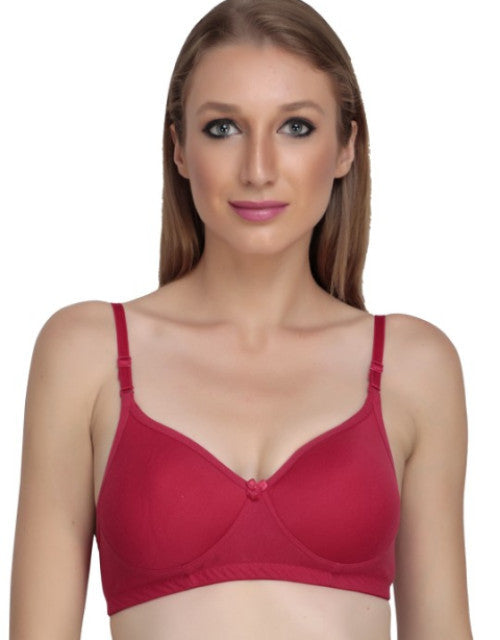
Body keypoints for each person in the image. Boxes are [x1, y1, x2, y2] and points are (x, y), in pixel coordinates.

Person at [9, 0, 474, 638]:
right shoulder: (85, 354)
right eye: (223, 127)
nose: (258, 170)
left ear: (346, 148)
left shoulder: (414, 367)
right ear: (179, 148)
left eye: (296, 127)